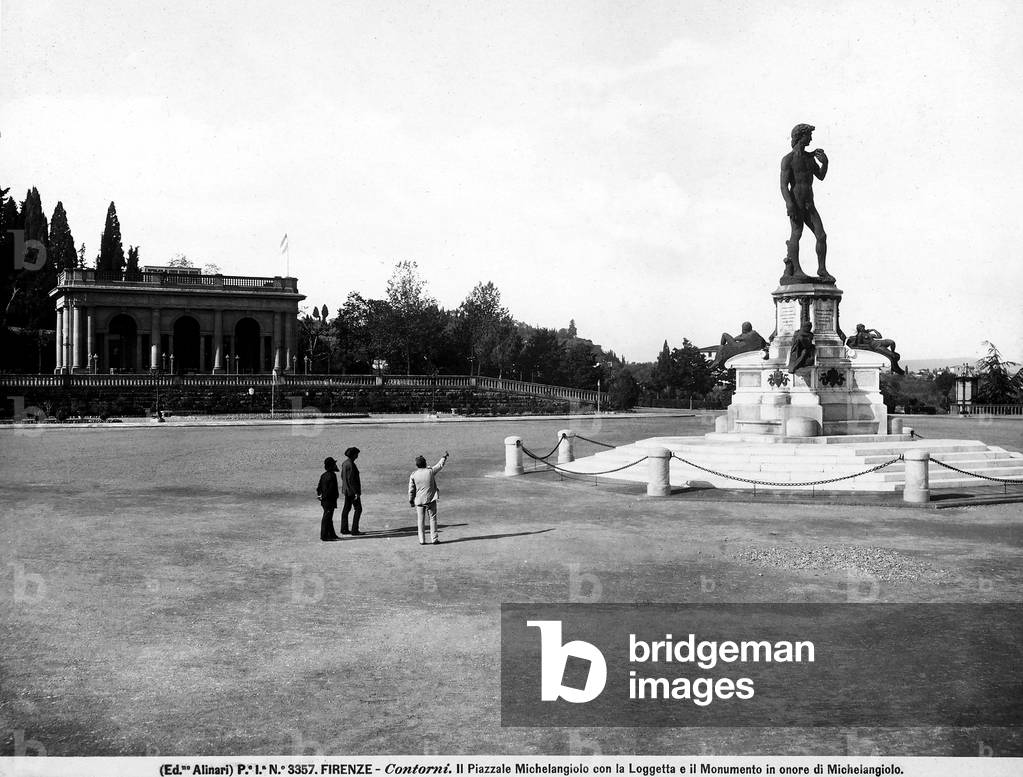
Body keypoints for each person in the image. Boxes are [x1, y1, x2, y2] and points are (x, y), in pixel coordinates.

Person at [780, 123, 834, 284]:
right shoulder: (788, 159)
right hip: (796, 203)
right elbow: (783, 185)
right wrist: (789, 204)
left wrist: (825, 163)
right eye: (808, 135)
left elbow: (821, 176)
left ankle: (822, 269)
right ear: (800, 136)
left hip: (809, 204)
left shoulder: (810, 158)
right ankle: (796, 269)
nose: (810, 138)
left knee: (821, 235)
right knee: (796, 234)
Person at [408, 451, 450, 545]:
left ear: (417, 465)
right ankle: (434, 539)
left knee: (420, 520)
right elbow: (439, 465)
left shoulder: (413, 475)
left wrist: (411, 500)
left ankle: (422, 540)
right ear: (425, 463)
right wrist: (444, 457)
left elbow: (411, 489)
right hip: (430, 499)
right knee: (433, 519)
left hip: (419, 501)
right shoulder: (430, 472)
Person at [316, 457, 341, 542]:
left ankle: (332, 534)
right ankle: (324, 536)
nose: (335, 465)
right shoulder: (332, 475)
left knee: (329, 518)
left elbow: (319, 488)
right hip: (329, 500)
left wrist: (319, 495)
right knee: (327, 518)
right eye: (334, 464)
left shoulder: (323, 475)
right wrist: (333, 497)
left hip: (325, 500)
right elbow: (331, 489)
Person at [339, 446, 363, 535]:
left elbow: (342, 476)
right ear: (353, 455)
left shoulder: (345, 463)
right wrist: (356, 492)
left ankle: (344, 528)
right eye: (357, 454)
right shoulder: (351, 465)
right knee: (358, 509)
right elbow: (351, 480)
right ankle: (354, 530)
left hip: (346, 490)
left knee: (346, 509)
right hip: (352, 491)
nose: (357, 456)